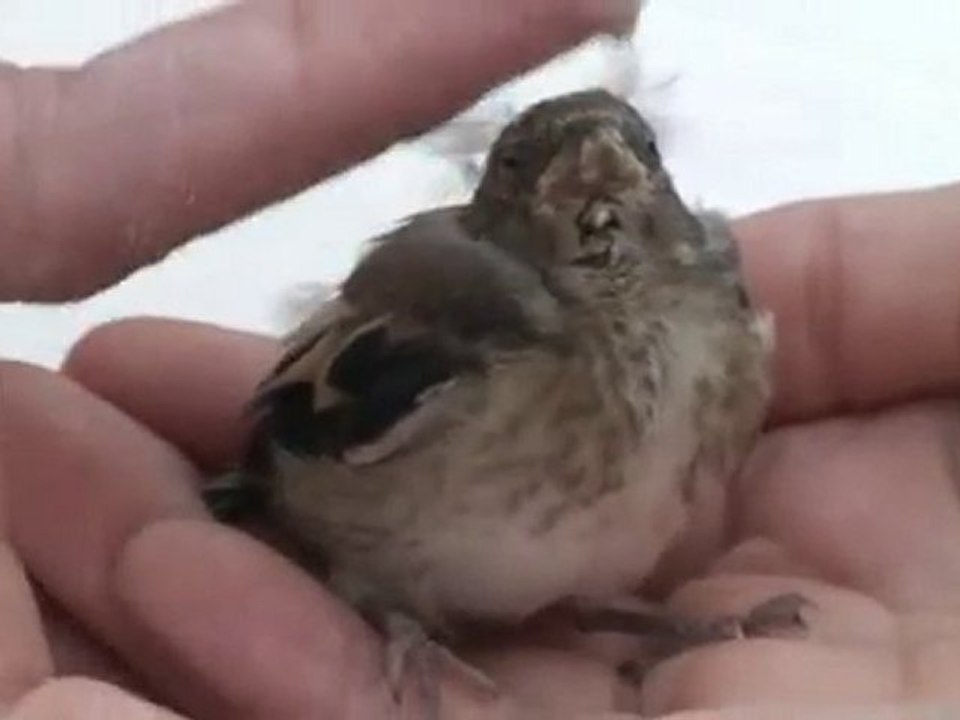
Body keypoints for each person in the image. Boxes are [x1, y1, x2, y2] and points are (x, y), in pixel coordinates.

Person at [1, 1, 958, 717]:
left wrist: (676, 619)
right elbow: (300, 424)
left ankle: (615, 618)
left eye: (631, 166)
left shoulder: (725, 330)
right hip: (353, 532)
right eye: (532, 173)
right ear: (500, 209)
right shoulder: (464, 317)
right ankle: (403, 614)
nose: (596, 195)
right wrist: (396, 623)